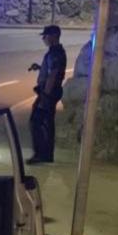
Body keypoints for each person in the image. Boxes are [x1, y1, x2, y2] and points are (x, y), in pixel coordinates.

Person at [28, 25, 67, 164]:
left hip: (48, 93)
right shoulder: (55, 52)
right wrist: (39, 68)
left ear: (53, 36)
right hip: (49, 92)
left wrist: (45, 95)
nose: (44, 39)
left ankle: (42, 154)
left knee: (38, 122)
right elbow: (51, 70)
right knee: (45, 122)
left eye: (45, 36)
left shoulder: (55, 53)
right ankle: (46, 154)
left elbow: (53, 74)